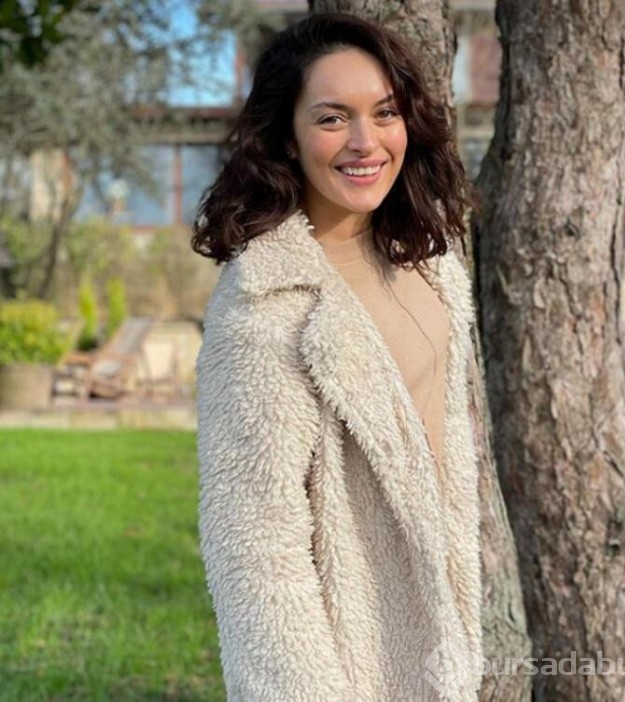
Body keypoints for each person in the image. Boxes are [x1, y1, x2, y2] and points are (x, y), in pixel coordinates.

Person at [192, 12, 482, 702]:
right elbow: (253, 547)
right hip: (349, 665)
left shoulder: (431, 262)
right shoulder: (264, 305)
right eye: (331, 119)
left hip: (444, 649)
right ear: (285, 139)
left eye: (385, 113)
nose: (365, 142)